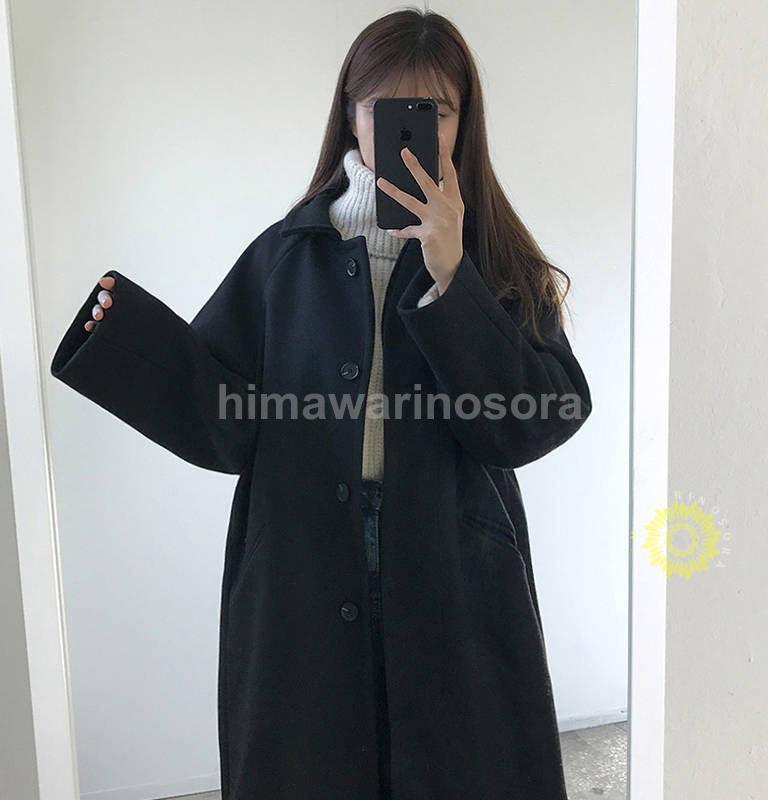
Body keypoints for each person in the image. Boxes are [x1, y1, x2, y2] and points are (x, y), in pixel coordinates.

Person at [51, 8, 592, 799]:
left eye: (434, 109)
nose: (408, 127)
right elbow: (226, 425)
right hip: (304, 558)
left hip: (451, 557)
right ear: (351, 112)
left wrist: (452, 274)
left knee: (457, 763)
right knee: (314, 759)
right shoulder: (286, 253)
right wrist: (128, 342)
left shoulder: (498, 261)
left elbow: (534, 422)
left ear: (463, 122)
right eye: (383, 106)